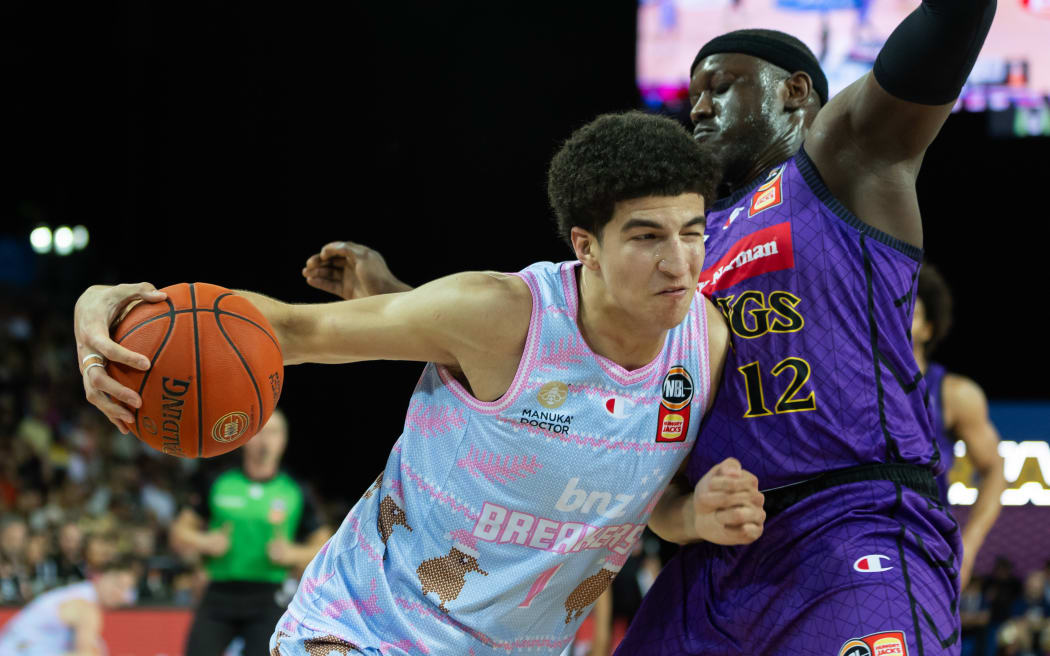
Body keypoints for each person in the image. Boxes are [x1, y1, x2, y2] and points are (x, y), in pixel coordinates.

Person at [307, 3, 998, 651]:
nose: (697, 106)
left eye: (721, 86)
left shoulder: (842, 169)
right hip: (713, 548)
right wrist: (396, 298)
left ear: (794, 91)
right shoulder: (674, 243)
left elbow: (947, 30)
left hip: (852, 520)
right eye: (691, 92)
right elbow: (545, 353)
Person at [73, 111, 767, 654]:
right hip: (363, 632)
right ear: (585, 245)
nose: (679, 262)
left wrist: (692, 516)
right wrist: (114, 302)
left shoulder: (703, 342)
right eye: (647, 237)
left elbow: (636, 499)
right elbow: (294, 331)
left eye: (692, 232)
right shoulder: (499, 314)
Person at [169, 408, 332, 656]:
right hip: (218, 592)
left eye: (273, 433)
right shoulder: (218, 481)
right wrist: (205, 541)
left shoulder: (295, 490)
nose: (265, 440)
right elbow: (179, 531)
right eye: (259, 432)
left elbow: (325, 546)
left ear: (283, 440)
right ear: (245, 438)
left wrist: (293, 554)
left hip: (270, 595)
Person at [914, 263, 1006, 588]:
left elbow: (995, 469)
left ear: (929, 328)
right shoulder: (849, 387)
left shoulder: (954, 394)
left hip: (925, 550)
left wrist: (969, 545)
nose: (895, 318)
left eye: (909, 311)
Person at [0, 555, 138, 656]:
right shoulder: (86, 607)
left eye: (126, 589)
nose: (120, 593)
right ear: (99, 577)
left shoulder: (76, 592)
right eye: (117, 584)